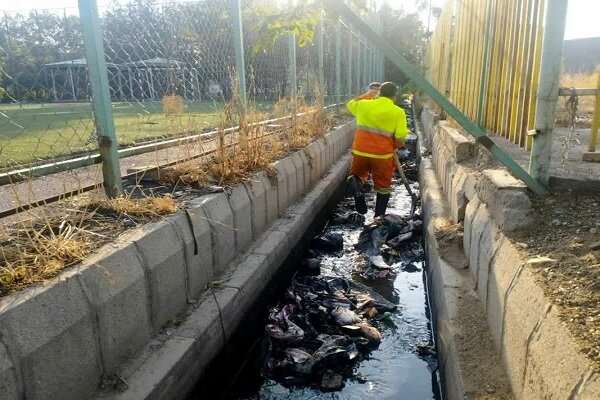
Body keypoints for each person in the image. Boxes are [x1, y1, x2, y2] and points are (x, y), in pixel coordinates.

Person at [346, 81, 409, 217]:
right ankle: (378, 217)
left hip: (360, 151)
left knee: (357, 175)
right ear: (395, 95)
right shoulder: (398, 112)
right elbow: (400, 138)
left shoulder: (363, 105)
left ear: (379, 93)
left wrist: (368, 94)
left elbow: (350, 104)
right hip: (382, 155)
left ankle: (357, 189)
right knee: (383, 187)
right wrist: (398, 146)